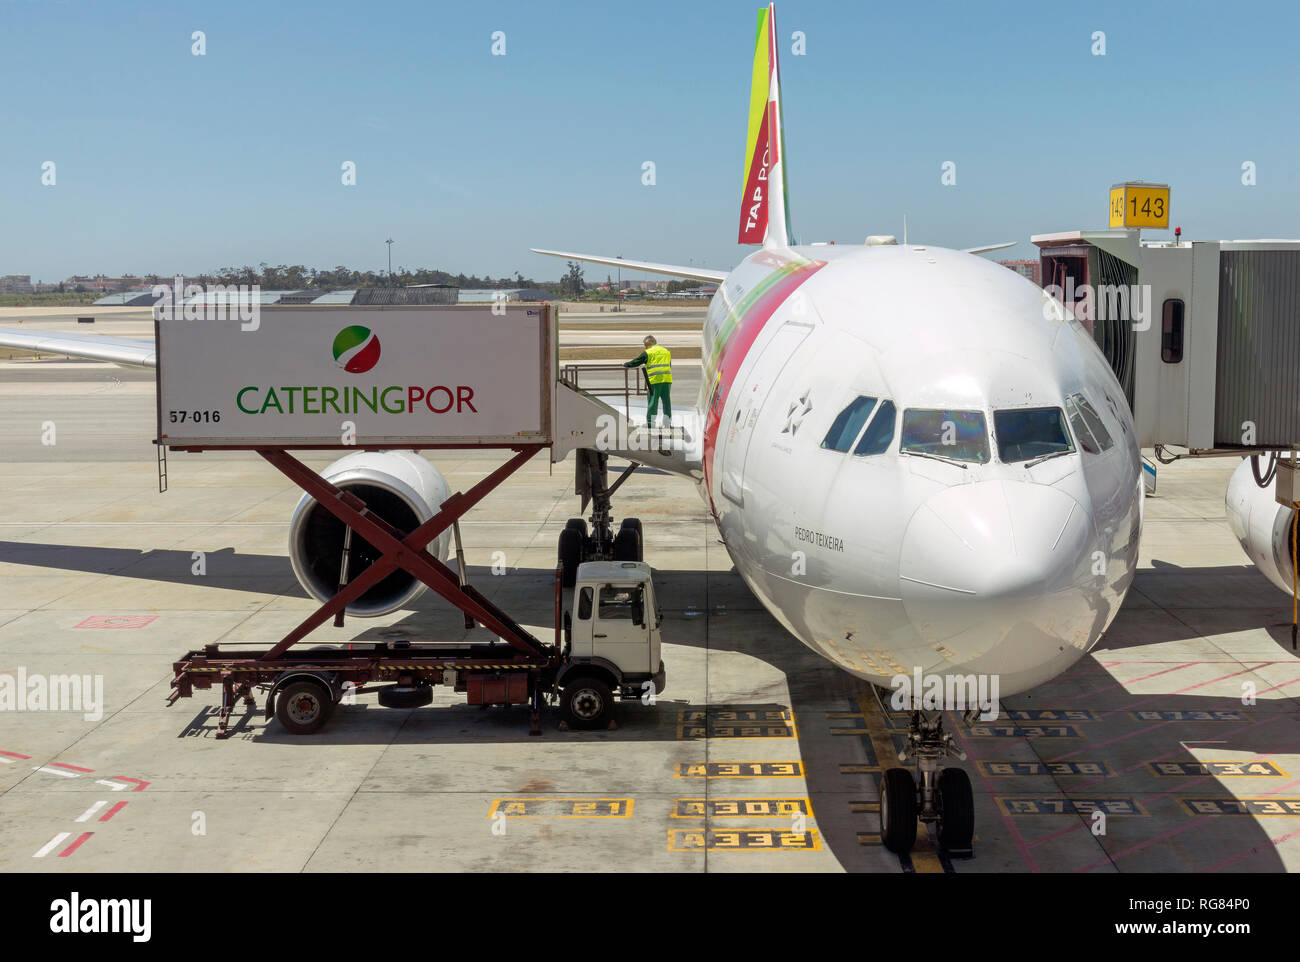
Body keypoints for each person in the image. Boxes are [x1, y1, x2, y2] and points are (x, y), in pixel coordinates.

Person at [624, 335, 672, 426]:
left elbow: (636, 362)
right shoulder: (666, 351)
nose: (645, 347)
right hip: (667, 380)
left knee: (653, 402)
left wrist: (625, 364)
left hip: (654, 381)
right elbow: (669, 365)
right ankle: (667, 423)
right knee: (666, 401)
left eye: (645, 345)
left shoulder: (648, 352)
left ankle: (650, 423)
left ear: (648, 344)